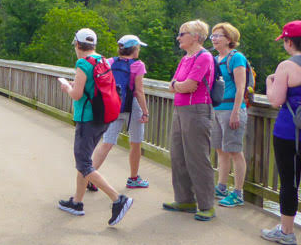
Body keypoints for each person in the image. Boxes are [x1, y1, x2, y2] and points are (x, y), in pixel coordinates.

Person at [58, 28, 133, 226]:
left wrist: (67, 87)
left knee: (83, 163)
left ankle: (118, 199)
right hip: (103, 117)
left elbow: (76, 95)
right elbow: (93, 87)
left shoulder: (83, 63)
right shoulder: (101, 60)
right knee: (85, 160)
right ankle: (77, 202)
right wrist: (78, 85)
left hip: (87, 119)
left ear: (77, 44)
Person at [163, 20, 216, 221]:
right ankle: (184, 199)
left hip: (196, 110)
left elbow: (190, 85)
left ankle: (206, 205)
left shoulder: (204, 57)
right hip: (180, 109)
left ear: (196, 36)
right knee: (178, 155)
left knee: (197, 157)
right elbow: (177, 85)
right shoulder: (186, 58)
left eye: (182, 33)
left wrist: (179, 85)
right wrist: (179, 85)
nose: (178, 37)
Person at [260, 20, 301, 245]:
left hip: (290, 133)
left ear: (288, 42)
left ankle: (286, 231)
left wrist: (268, 83)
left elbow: (275, 101)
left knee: (289, 182)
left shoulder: (286, 66)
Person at [91, 34, 150, 189]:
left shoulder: (110, 62)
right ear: (135, 49)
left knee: (107, 143)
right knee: (135, 143)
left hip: (113, 106)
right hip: (133, 108)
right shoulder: (138, 65)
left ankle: (90, 176)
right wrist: (145, 112)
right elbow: (139, 91)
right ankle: (133, 179)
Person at [209, 23, 249, 208]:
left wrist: (235, 112)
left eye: (219, 36)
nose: (215, 39)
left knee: (234, 151)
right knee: (220, 150)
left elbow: (241, 86)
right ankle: (221, 187)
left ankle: (238, 193)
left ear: (229, 39)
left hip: (232, 110)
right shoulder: (216, 59)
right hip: (217, 109)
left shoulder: (236, 58)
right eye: (213, 36)